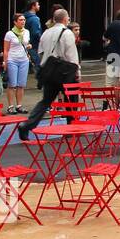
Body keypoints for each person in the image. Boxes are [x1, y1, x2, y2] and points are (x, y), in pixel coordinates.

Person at [17, 9, 81, 141]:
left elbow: (40, 52)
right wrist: (77, 70)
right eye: (68, 18)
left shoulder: (46, 32)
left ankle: (27, 125)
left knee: (46, 101)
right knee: (72, 99)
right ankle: (71, 128)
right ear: (64, 19)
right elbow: (71, 54)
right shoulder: (67, 33)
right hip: (65, 70)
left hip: (49, 70)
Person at [3, 13, 31, 115]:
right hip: (12, 59)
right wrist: (5, 62)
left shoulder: (27, 32)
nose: (23, 21)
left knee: (21, 84)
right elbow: (6, 49)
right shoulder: (9, 34)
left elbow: (26, 44)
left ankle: (19, 105)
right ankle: (11, 106)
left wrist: (29, 46)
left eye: (24, 20)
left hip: (24, 59)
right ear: (15, 22)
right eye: (20, 20)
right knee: (12, 84)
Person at [24, 0, 43, 88]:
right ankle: (41, 81)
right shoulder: (35, 19)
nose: (39, 6)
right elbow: (36, 32)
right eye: (38, 5)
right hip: (33, 44)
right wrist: (41, 40)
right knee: (38, 63)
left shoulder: (24, 17)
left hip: (24, 43)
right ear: (33, 6)